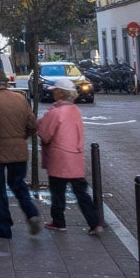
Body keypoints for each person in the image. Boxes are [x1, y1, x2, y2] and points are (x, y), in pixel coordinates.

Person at [0, 67, 42, 238]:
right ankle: (32, 214)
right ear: (5, 83)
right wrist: (22, 137)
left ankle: (2, 228)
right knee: (18, 184)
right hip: (19, 149)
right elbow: (33, 125)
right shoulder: (20, 99)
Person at [37, 77, 105, 235]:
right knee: (81, 193)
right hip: (75, 157)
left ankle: (59, 222)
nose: (53, 93)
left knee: (57, 192)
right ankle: (95, 223)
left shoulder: (55, 112)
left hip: (59, 158)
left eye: (55, 90)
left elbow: (45, 134)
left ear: (60, 93)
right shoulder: (75, 110)